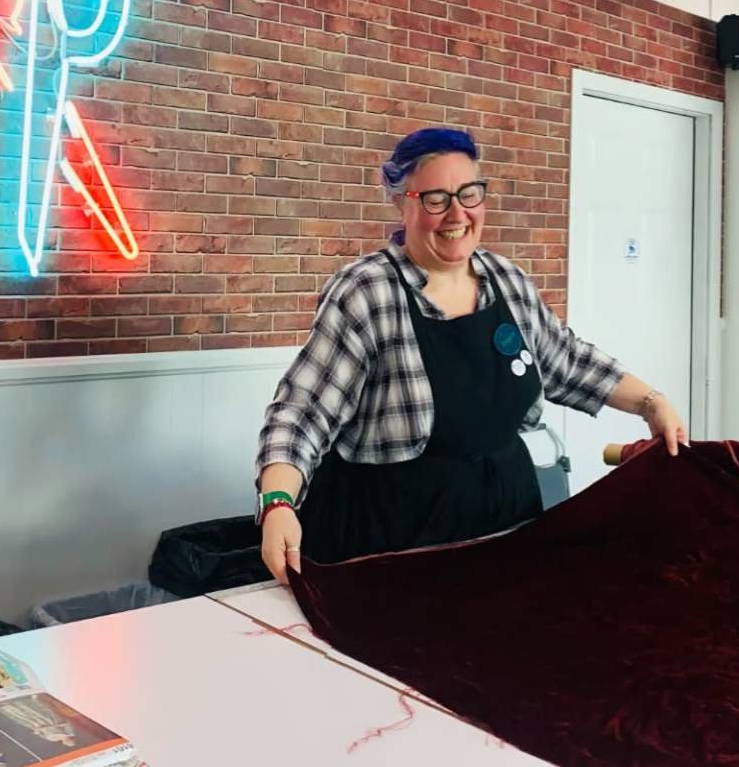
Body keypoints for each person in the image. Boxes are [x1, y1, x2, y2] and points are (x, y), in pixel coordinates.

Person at [251, 128, 687, 581]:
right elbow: (302, 412)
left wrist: (651, 403)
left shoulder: (507, 280)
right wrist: (278, 503)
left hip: (506, 526)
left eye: (469, 194)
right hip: (392, 546)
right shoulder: (366, 291)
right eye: (436, 198)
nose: (457, 213)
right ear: (402, 202)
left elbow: (566, 361)